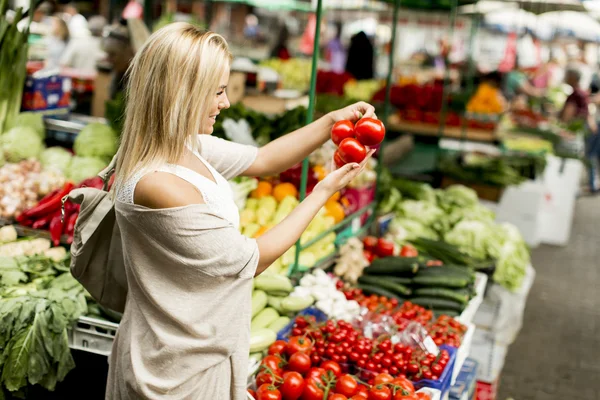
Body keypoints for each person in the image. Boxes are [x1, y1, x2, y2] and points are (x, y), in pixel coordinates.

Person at [106, 23, 376, 399]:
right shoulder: (158, 184)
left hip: (198, 348)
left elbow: (263, 159)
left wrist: (331, 122)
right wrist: (324, 190)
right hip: (175, 374)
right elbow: (255, 258)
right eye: (217, 91)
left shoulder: (187, 147)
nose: (226, 102)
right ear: (182, 94)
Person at [560, 66, 599, 193]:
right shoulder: (581, 93)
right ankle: (593, 183)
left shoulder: (576, 94)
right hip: (589, 128)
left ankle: (591, 184)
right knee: (590, 156)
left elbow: (567, 115)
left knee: (588, 156)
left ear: (572, 77)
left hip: (584, 129)